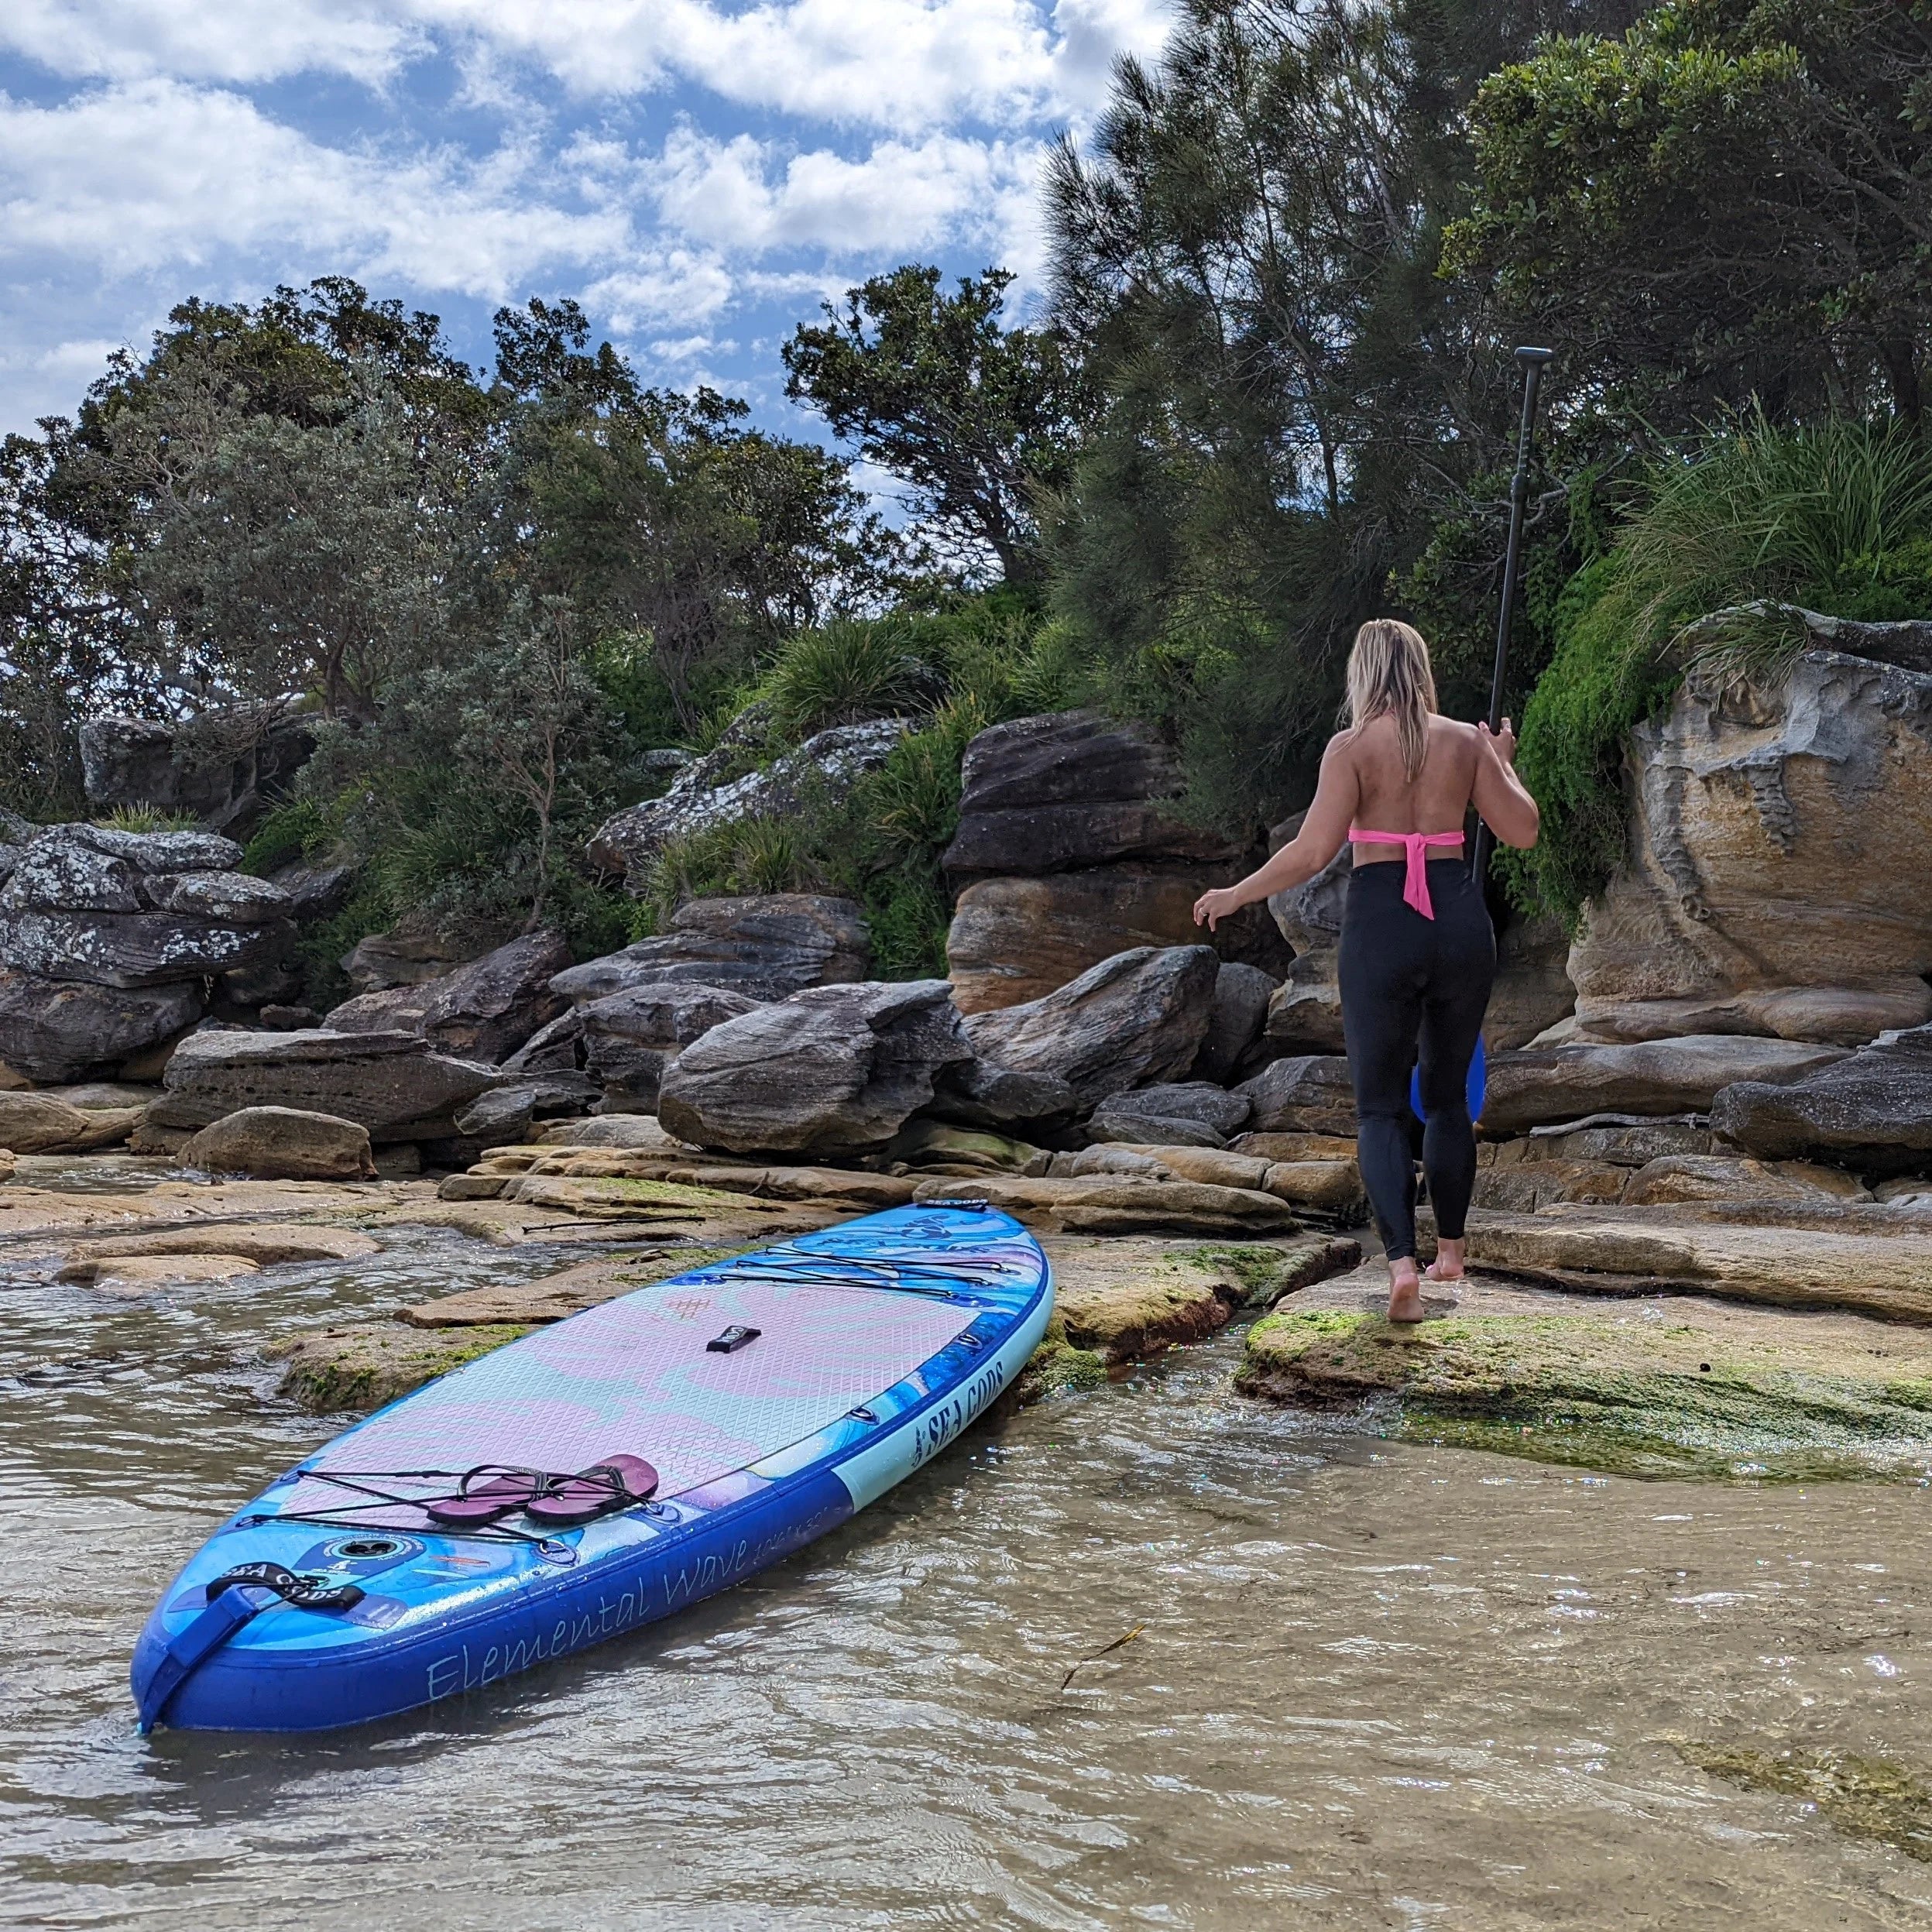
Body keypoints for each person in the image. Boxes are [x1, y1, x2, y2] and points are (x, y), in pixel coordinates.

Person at [1193, 619, 1540, 1323]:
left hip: (1382, 922)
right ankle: (1450, 1253)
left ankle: (1402, 1267)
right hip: (1457, 921)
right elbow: (1523, 829)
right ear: (1418, 667)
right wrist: (1500, 762)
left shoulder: (1348, 749)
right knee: (1446, 1100)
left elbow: (1312, 851)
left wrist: (1236, 893)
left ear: (1362, 673)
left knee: (1379, 1107)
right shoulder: (1465, 742)